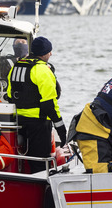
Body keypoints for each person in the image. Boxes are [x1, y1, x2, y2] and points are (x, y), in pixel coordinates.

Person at [6, 36, 67, 173]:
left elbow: (9, 96)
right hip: (38, 124)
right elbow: (49, 104)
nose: (51, 54)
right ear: (44, 53)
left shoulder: (16, 67)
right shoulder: (43, 70)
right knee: (40, 162)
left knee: (21, 157)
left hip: (18, 122)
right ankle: (40, 188)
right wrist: (61, 129)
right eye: (49, 51)